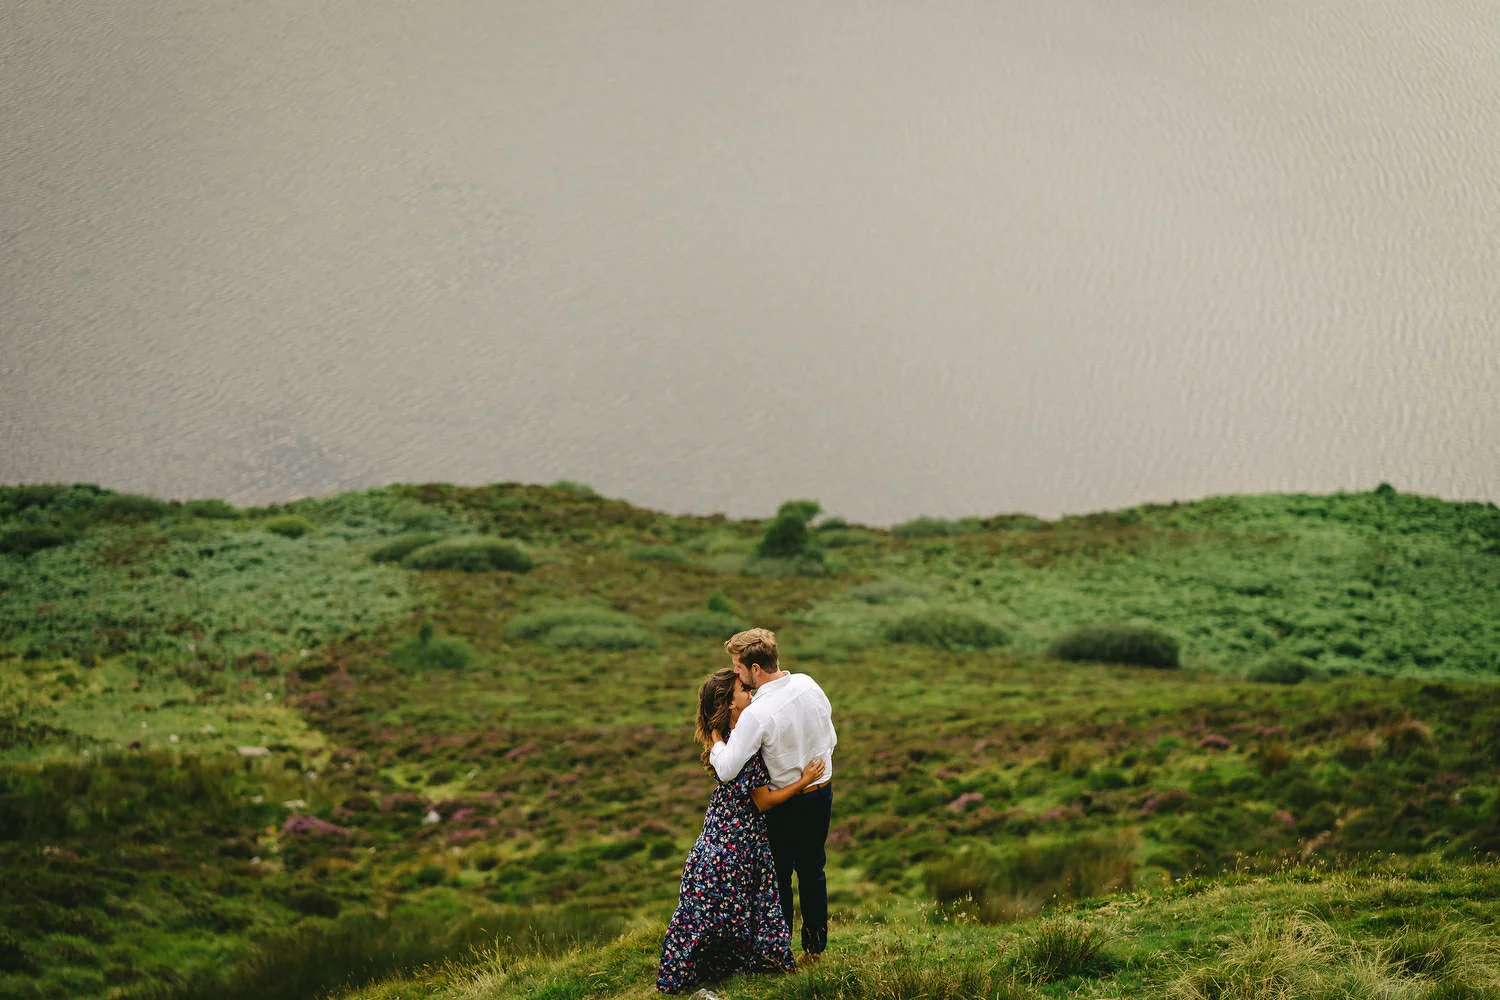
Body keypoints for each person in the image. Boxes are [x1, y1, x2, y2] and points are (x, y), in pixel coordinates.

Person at [656, 668, 826, 995]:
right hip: (737, 839)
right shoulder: (742, 749)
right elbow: (762, 802)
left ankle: (712, 967)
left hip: (719, 833)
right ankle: (761, 960)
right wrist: (803, 781)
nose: (751, 695)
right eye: (743, 692)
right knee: (745, 902)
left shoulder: (728, 742)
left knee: (723, 909)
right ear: (730, 704)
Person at [709, 628, 837, 964]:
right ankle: (814, 950)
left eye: (737, 666)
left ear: (754, 669)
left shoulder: (757, 713)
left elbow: (727, 770)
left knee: (778, 875)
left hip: (786, 803)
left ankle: (778, 951)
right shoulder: (809, 684)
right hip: (821, 792)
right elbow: (830, 737)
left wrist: (714, 741)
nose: (735, 672)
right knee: (813, 869)